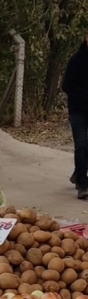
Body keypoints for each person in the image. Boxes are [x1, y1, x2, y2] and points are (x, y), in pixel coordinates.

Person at [62, 33, 88, 199]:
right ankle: (83, 185)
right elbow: (66, 86)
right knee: (81, 145)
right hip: (78, 111)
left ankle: (78, 172)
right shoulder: (76, 61)